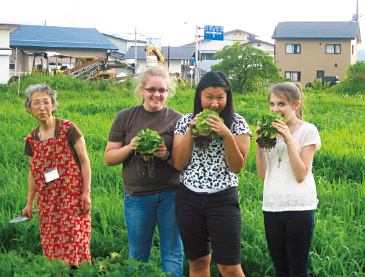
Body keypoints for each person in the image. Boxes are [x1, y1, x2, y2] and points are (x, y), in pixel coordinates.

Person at [104, 66, 184, 276]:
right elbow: (109, 158)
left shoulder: (178, 119)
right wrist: (130, 147)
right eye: (151, 89)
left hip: (172, 194)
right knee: (138, 255)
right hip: (137, 197)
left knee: (173, 252)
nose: (156, 94)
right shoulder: (125, 117)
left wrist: (165, 155)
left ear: (168, 91)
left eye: (162, 90)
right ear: (141, 90)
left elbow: (183, 163)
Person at [172, 71, 251, 277]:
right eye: (209, 97)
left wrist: (226, 134)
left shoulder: (237, 123)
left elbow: (237, 167)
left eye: (220, 98)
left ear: (228, 98)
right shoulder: (185, 121)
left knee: (230, 267)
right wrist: (191, 131)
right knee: (197, 263)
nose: (214, 103)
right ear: (200, 97)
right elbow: (178, 163)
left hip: (222, 199)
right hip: (188, 199)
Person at [256, 82, 321, 276]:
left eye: (281, 104)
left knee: (297, 269)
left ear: (296, 105)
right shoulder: (269, 132)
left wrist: (288, 138)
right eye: (272, 104)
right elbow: (262, 174)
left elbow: (301, 174)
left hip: (299, 207)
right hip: (272, 206)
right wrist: (260, 144)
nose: (275, 109)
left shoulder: (308, 130)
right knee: (280, 270)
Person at [22, 84, 92, 266]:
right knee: (52, 243)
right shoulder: (31, 139)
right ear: (29, 109)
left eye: (46, 102)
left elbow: (85, 161)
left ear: (53, 105)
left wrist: (86, 193)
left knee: (75, 241)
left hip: (72, 197)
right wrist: (30, 203)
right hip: (47, 201)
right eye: (36, 103)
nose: (42, 107)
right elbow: (33, 173)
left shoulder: (69, 129)